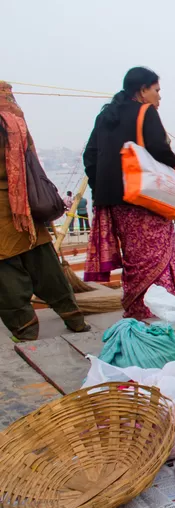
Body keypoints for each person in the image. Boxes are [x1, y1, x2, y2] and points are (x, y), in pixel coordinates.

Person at [82, 67, 175, 319]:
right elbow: (157, 148)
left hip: (116, 202)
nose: (159, 97)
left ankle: (137, 308)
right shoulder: (146, 112)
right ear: (142, 90)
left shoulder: (105, 117)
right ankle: (163, 309)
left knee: (135, 257)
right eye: (156, 90)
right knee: (158, 256)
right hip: (145, 199)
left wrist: (103, 188)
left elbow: (90, 157)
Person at [0, 82, 88, 340]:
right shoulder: (18, 125)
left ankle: (25, 331)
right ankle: (75, 319)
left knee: (7, 279)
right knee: (47, 269)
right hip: (28, 210)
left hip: (5, 222)